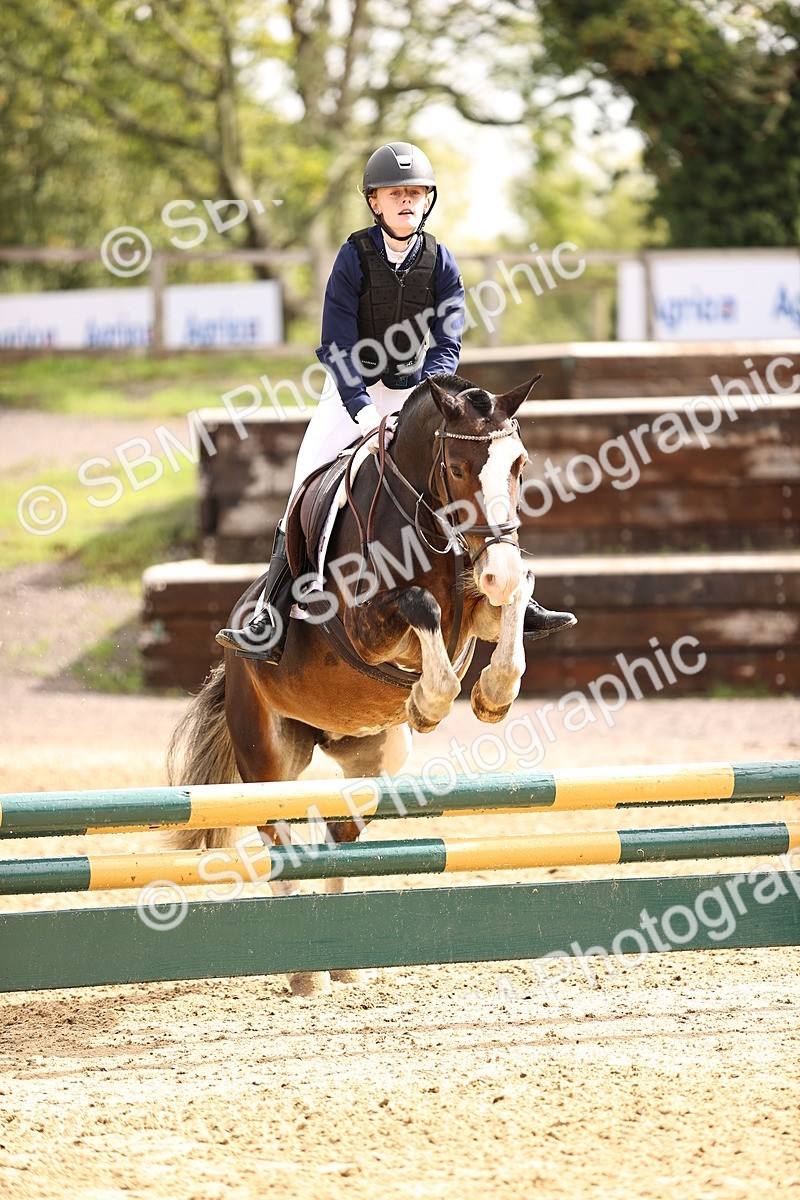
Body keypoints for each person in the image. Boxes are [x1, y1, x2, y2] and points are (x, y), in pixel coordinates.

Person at [216, 141, 575, 662]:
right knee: (305, 485)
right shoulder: (352, 257)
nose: (406, 200)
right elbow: (336, 345)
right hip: (350, 392)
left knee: (475, 471)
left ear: (427, 201)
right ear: (375, 203)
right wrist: (362, 408)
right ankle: (271, 613)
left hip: (416, 392)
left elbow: (447, 341)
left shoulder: (441, 260)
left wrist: (426, 398)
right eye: (394, 193)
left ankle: (519, 595)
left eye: (415, 192)